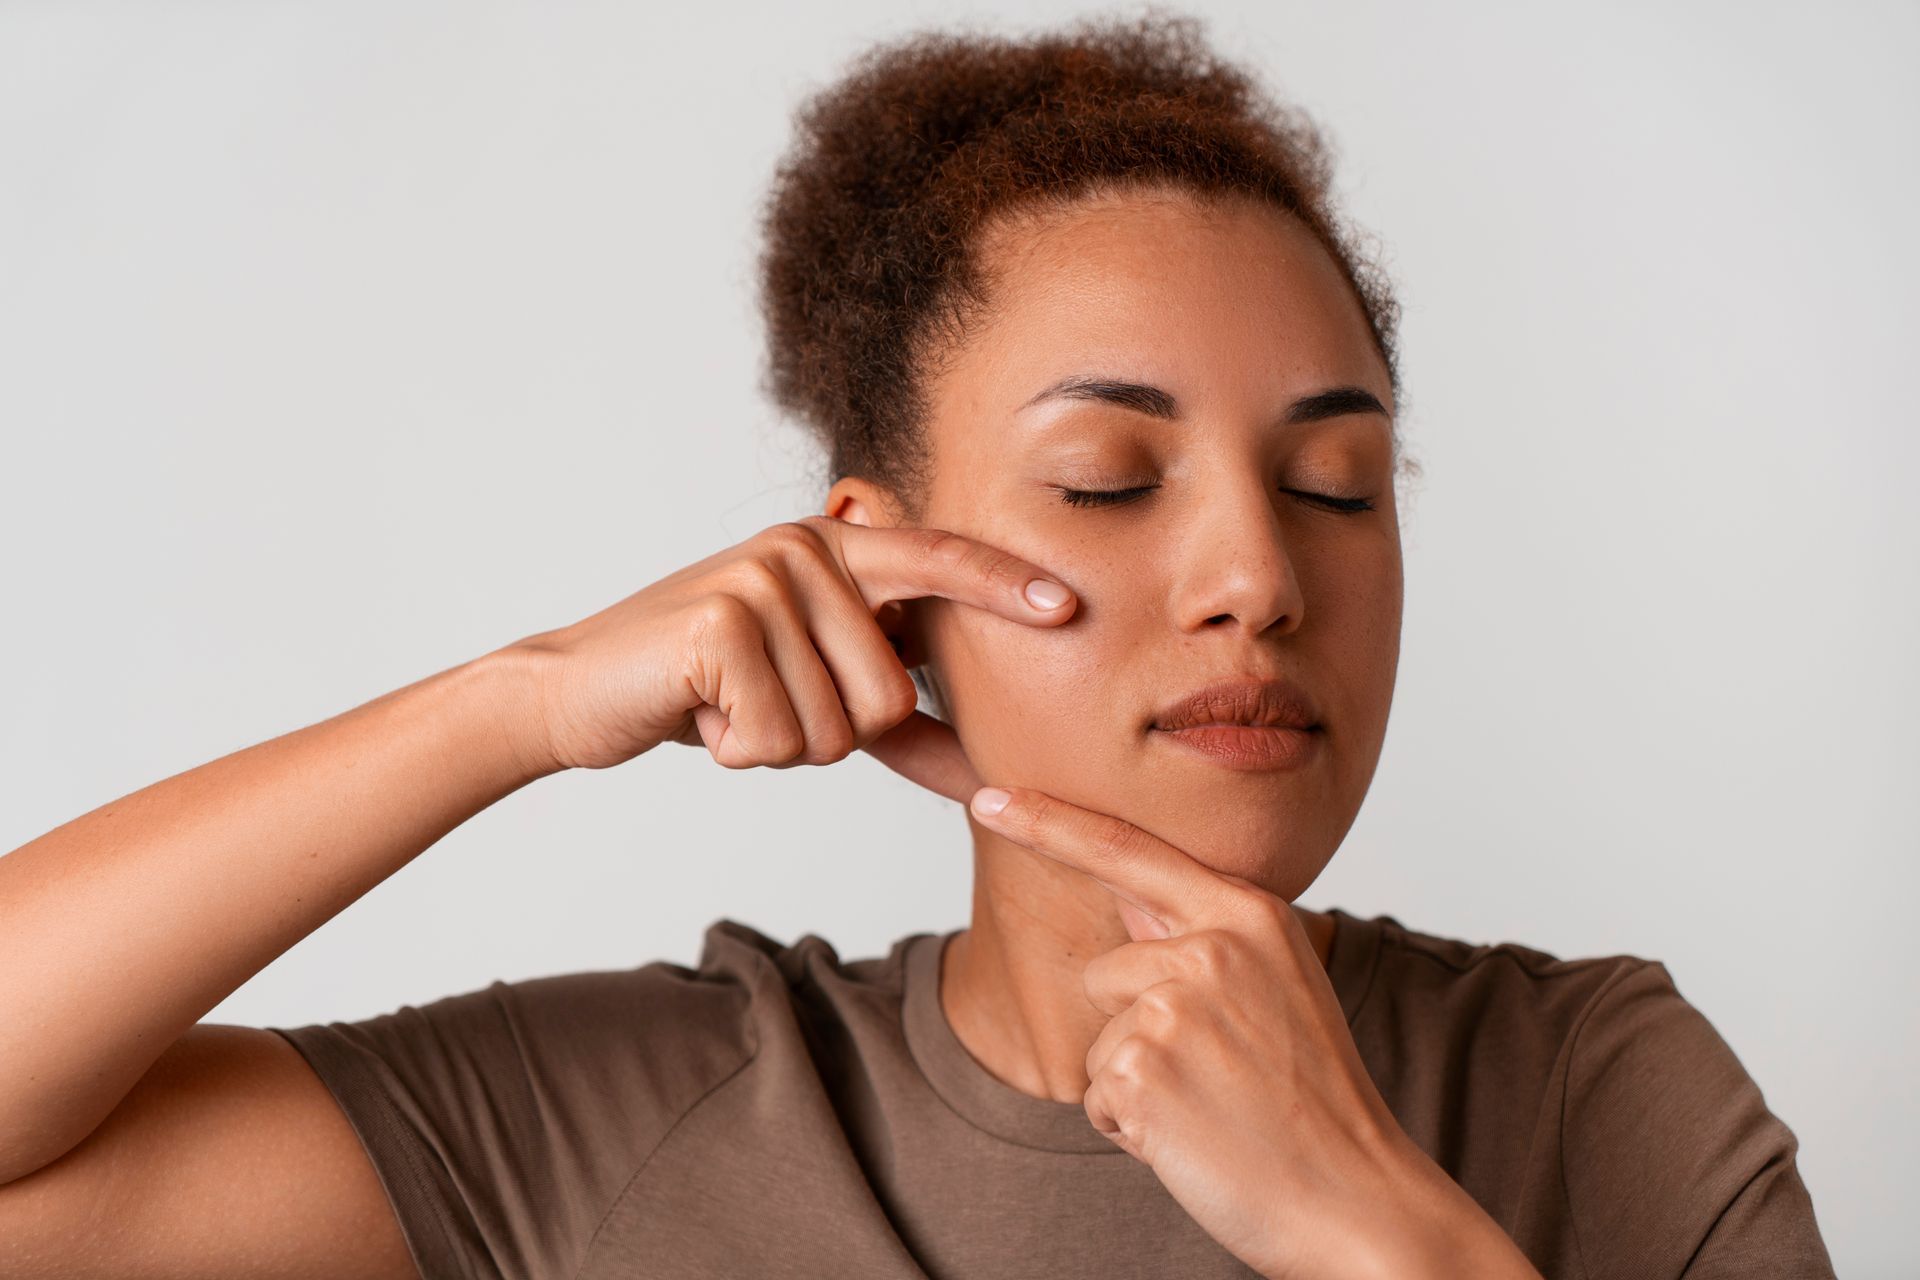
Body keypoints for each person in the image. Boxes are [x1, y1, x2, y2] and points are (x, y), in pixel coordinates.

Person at [0, 13, 1835, 1279]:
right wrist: (526, 700)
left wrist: (1372, 1225)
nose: (1258, 577)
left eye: (1338, 483)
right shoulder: (651, 1116)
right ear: (884, 569)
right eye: (1112, 481)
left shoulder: (1598, 1086)